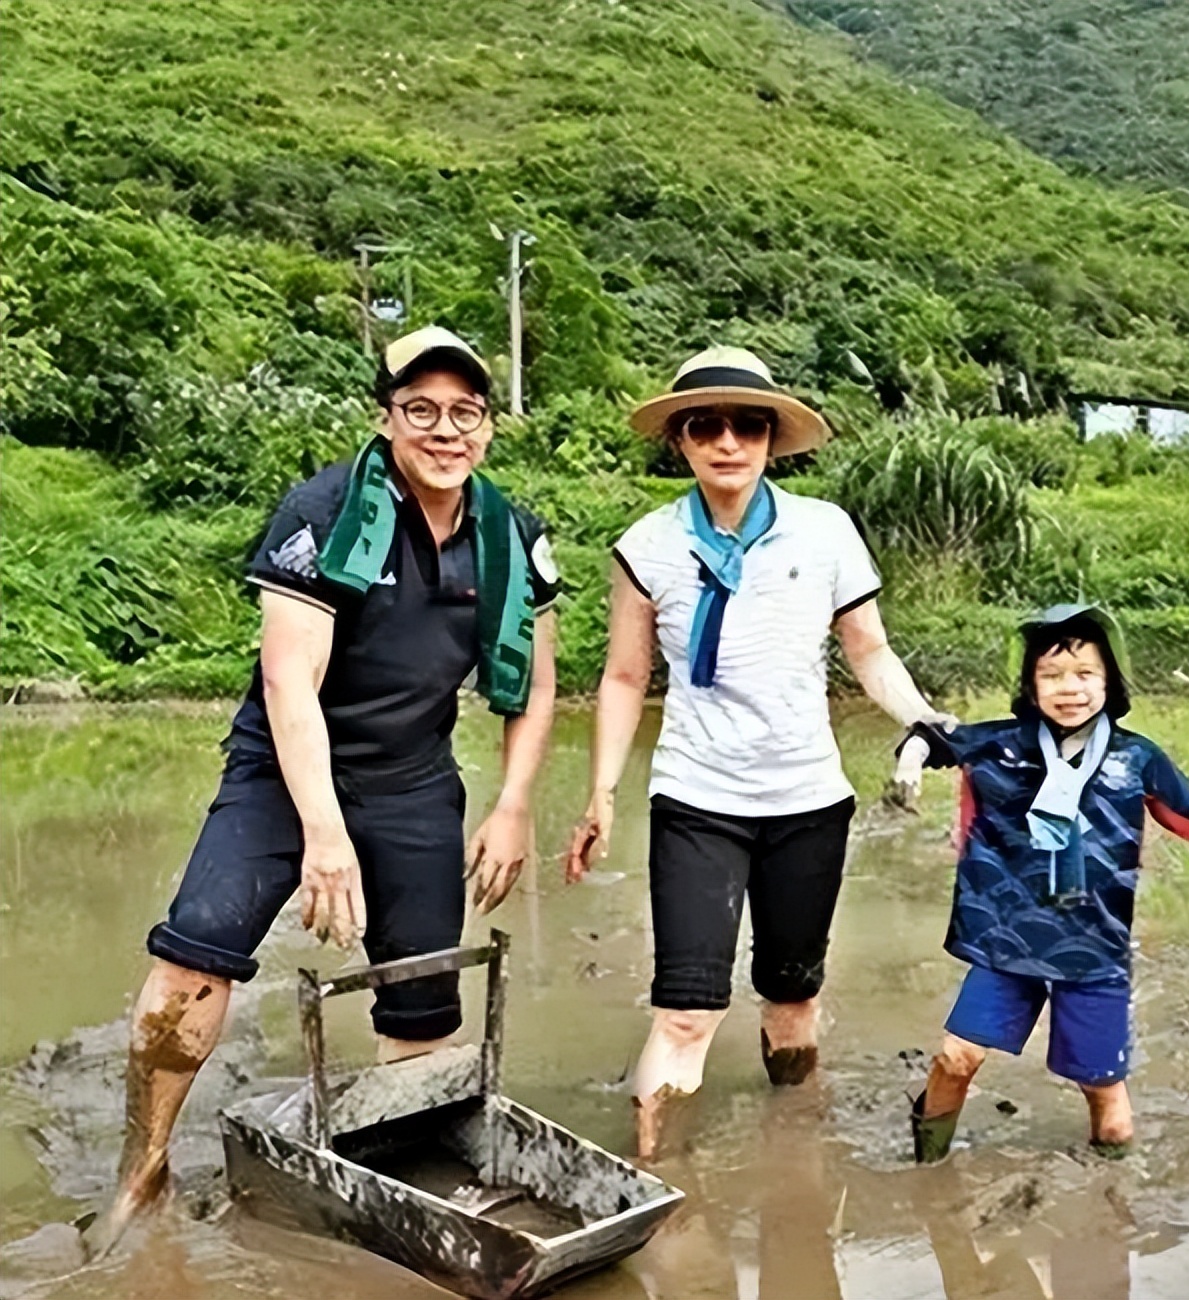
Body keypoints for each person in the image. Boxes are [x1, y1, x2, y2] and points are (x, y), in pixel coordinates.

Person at [86, 326, 560, 1254]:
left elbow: (536, 685)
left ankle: (391, 1188)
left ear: (490, 427)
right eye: (420, 409)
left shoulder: (511, 534)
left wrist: (512, 806)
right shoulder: (324, 510)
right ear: (386, 418)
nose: (445, 430)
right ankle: (142, 1169)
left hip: (415, 779)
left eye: (466, 412)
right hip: (280, 773)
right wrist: (324, 832)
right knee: (192, 963)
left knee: (421, 1006)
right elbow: (287, 682)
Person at [563, 346, 951, 1159]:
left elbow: (869, 652)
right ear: (682, 440)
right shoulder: (649, 545)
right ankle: (649, 1179)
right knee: (686, 1009)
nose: (728, 441)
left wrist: (923, 717)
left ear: (773, 438)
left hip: (808, 801)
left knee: (792, 999)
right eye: (707, 424)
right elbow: (628, 675)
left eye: (748, 424)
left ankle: (793, 1155)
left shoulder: (825, 530)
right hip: (697, 798)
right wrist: (600, 793)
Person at [903, 603, 1189, 1163]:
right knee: (956, 1058)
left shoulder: (1136, 757)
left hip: (1093, 946)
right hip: (1005, 939)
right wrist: (909, 768)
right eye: (1052, 675)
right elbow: (928, 739)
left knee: (1107, 1108)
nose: (1070, 688)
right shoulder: (1001, 744)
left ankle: (1109, 1203)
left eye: (1085, 674)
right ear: (1030, 685)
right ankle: (926, 1166)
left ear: (1109, 682)